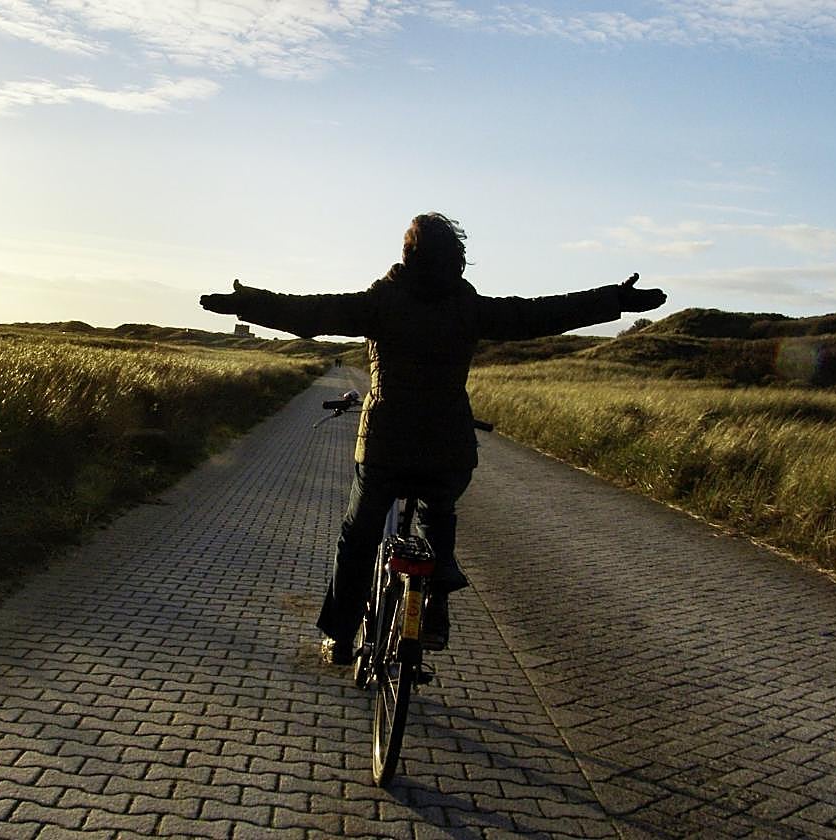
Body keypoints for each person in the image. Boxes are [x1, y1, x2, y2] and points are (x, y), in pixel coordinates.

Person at [200, 213, 666, 665]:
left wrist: (248, 303)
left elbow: (311, 313)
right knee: (437, 516)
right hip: (448, 447)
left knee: (358, 536)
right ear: (456, 259)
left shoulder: (382, 301)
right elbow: (539, 314)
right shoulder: (468, 307)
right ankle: (435, 610)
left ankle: (340, 637)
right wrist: (614, 299)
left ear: (408, 254)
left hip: (385, 445)